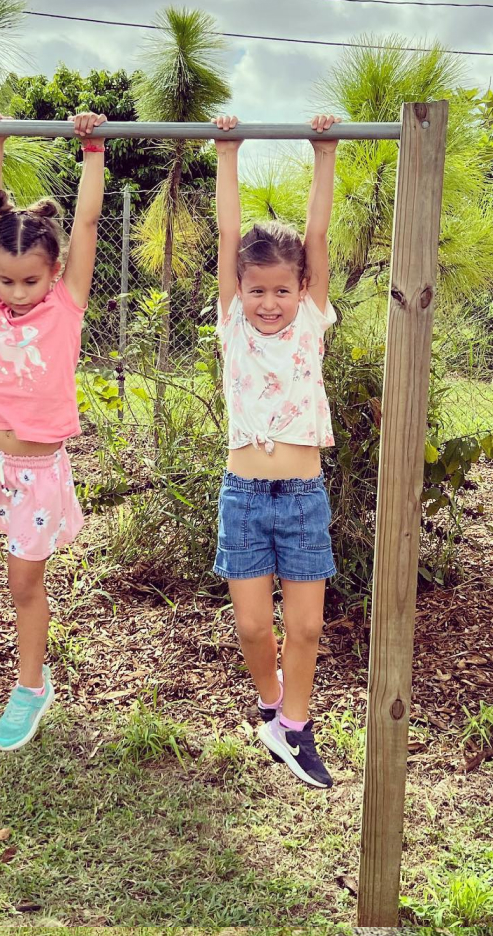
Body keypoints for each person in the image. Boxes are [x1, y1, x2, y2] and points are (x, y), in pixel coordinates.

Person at [0, 108, 107, 752]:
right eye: (5, 279)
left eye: (28, 280)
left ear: (54, 269)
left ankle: (30, 688)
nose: (13, 292)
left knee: (23, 584)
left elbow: (89, 221)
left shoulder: (66, 303)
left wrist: (92, 149)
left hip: (37, 470)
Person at [212, 112, 341, 788]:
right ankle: (271, 706)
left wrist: (324, 156)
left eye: (281, 290)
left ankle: (296, 725)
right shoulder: (233, 322)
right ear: (241, 291)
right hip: (244, 496)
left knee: (309, 627)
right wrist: (226, 154)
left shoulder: (310, 321)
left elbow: (316, 235)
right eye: (257, 289)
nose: (268, 302)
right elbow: (229, 233)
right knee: (255, 628)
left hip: (301, 496)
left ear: (301, 289)